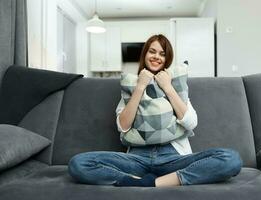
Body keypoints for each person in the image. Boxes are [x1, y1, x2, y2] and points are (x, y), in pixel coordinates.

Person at [68, 34, 242, 187]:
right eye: (152, 51)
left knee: (231, 159)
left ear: (167, 60)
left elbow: (190, 123)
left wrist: (167, 87)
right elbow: (123, 127)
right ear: (145, 54)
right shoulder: (130, 86)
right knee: (78, 163)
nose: (157, 57)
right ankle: (134, 179)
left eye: (162, 54)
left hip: (174, 158)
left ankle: (156, 182)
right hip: (137, 159)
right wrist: (140, 86)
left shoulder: (177, 86)